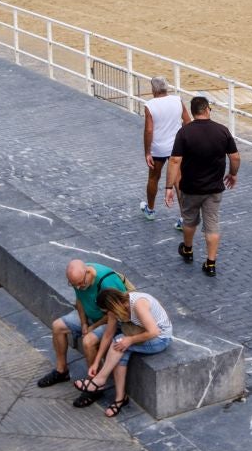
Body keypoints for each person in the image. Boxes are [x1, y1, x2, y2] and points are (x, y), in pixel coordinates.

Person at [164, 95, 240, 276]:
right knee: (212, 225)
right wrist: (233, 173)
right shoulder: (222, 131)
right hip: (214, 188)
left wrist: (168, 187)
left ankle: (188, 250)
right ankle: (211, 263)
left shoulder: (184, 133)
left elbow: (175, 160)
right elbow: (235, 157)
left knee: (189, 220)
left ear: (193, 112)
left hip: (190, 187)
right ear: (207, 109)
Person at [72, 286, 172, 417]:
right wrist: (96, 362)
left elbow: (154, 332)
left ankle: (99, 381)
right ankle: (120, 399)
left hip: (160, 339)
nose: (106, 314)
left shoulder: (138, 304)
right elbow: (108, 334)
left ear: (112, 305)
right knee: (120, 349)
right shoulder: (115, 310)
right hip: (140, 332)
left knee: (119, 342)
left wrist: (130, 340)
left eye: (106, 311)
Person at [36, 258, 128, 393]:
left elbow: (115, 312)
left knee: (88, 341)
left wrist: (93, 326)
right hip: (90, 317)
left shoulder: (107, 282)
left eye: (80, 284)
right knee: (57, 326)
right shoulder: (78, 279)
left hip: (111, 320)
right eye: (74, 285)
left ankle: (95, 385)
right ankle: (61, 371)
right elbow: (79, 301)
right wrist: (84, 323)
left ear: (88, 272)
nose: (78, 287)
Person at [140, 77, 190, 225]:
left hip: (158, 148)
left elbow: (149, 130)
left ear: (154, 89)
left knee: (154, 178)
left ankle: (150, 209)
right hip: (177, 147)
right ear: (166, 88)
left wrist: (147, 152)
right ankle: (184, 217)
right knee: (178, 180)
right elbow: (187, 122)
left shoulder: (150, 105)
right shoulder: (177, 100)